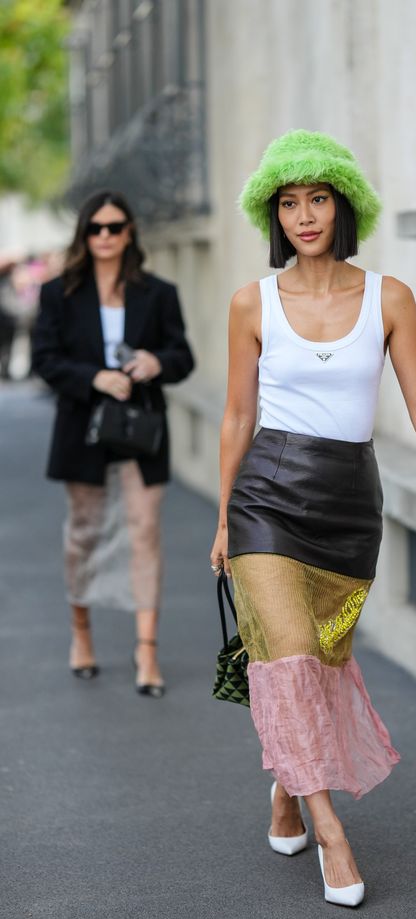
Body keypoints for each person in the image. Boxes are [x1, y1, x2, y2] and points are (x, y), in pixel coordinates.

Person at [210, 130, 416, 907]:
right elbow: (235, 417)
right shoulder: (250, 303)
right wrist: (226, 517)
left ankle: (288, 789)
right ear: (274, 214)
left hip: (348, 509)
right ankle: (333, 835)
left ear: (343, 205)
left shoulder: (390, 297)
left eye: (317, 198)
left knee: (321, 669)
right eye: (288, 202)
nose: (304, 215)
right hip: (267, 495)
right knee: (288, 655)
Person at [32, 190, 195, 697]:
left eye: (115, 226)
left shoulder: (158, 292)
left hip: (141, 430)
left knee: (144, 531)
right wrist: (95, 379)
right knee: (84, 531)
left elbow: (182, 356)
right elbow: (45, 359)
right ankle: (81, 633)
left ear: (130, 233)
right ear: (84, 234)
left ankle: (146, 649)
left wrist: (155, 364)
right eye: (95, 228)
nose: (105, 236)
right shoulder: (58, 292)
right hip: (83, 428)